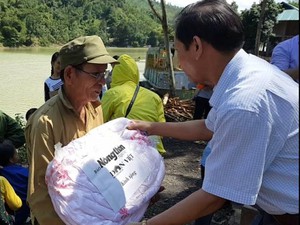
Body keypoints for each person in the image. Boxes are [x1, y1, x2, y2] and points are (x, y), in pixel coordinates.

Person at [128, 1, 299, 225]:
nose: (178, 62)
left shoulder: (245, 101)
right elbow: (209, 126)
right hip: (278, 208)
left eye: (178, 51)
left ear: (196, 46)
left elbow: (214, 196)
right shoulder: (248, 72)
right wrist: (150, 127)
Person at [25, 35, 118, 225]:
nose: (102, 82)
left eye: (104, 74)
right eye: (96, 75)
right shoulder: (46, 122)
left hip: (90, 213)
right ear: (69, 75)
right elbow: (40, 194)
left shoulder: (96, 109)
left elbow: (99, 164)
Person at [101, 54, 166, 155]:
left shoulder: (112, 94)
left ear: (116, 73)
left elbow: (99, 122)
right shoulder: (154, 96)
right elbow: (162, 130)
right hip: (154, 151)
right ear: (135, 73)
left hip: (126, 151)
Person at [0, 143, 30, 225]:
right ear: (11, 159)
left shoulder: (2, 173)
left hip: (14, 215)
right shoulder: (23, 172)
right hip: (27, 209)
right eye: (15, 153)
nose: (17, 154)